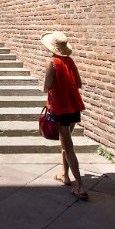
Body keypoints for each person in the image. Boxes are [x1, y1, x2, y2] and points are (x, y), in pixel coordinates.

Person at [41, 31, 88, 200]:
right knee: (65, 140)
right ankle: (65, 175)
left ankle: (81, 186)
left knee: (68, 146)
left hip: (61, 108)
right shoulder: (70, 61)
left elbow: (47, 86)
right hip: (74, 106)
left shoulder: (51, 61)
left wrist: (51, 84)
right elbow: (79, 83)